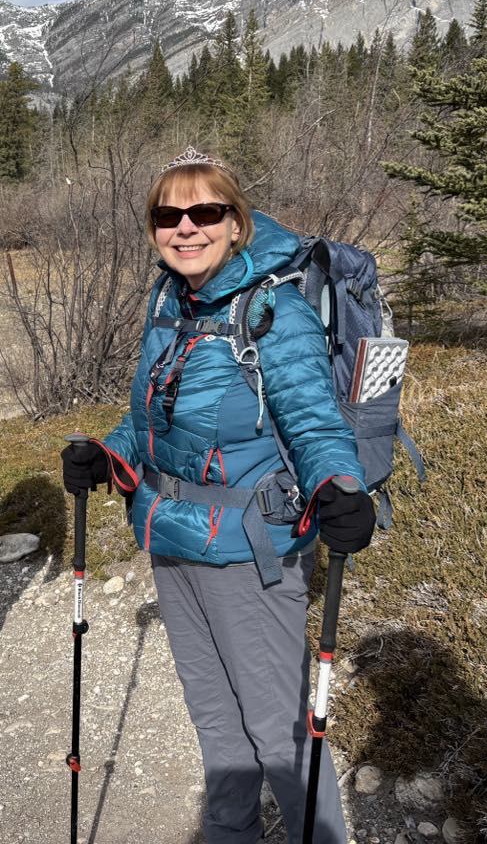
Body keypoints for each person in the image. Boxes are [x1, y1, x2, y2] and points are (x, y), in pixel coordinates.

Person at [61, 146, 375, 844]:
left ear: (236, 222)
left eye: (206, 211)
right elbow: (150, 413)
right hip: (171, 539)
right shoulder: (167, 299)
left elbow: (315, 424)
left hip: (247, 554)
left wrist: (339, 487)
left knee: (279, 735)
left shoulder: (274, 312)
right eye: (167, 215)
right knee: (214, 721)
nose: (186, 227)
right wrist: (107, 454)